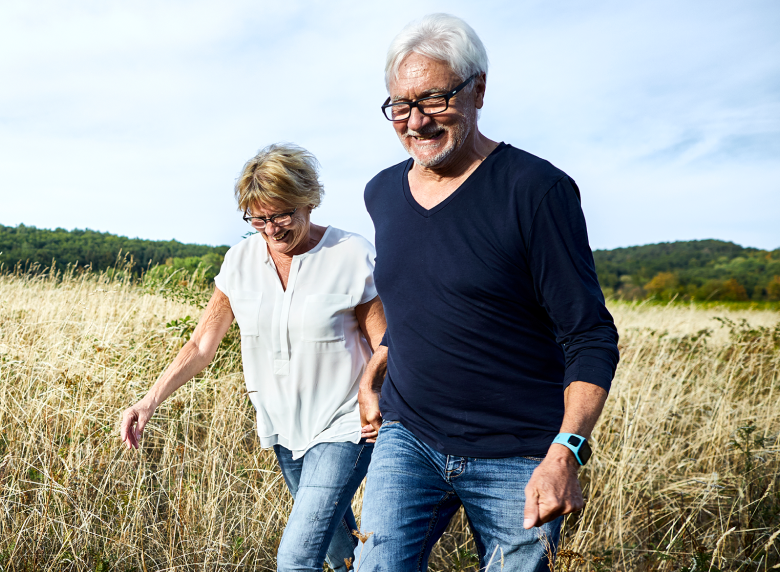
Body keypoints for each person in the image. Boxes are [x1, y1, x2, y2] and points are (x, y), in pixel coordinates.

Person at [355, 14, 620, 571]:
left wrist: (565, 452)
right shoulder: (380, 193)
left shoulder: (537, 190)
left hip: (519, 453)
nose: (415, 121)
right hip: (409, 440)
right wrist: (371, 377)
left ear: (478, 88)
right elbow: (415, 305)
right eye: (399, 105)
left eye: (433, 99)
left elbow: (590, 334)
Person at [120, 143, 386, 572]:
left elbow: (385, 343)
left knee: (296, 557)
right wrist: (149, 400)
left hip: (343, 428)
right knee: (341, 552)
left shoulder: (350, 254)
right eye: (258, 218)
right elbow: (202, 345)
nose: (271, 229)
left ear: (309, 201)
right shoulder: (240, 260)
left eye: (281, 215)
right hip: (281, 428)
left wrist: (375, 396)